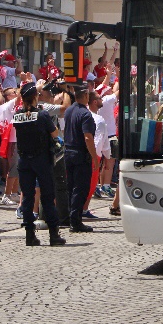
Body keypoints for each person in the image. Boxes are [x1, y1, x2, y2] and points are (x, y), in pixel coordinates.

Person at [13, 82, 66, 246]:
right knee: (48, 196)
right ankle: (53, 234)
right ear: (36, 97)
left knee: (28, 197)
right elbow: (55, 133)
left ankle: (30, 235)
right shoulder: (42, 115)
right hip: (42, 159)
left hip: (24, 160)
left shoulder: (17, 115)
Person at [64, 85, 99, 232]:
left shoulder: (69, 110)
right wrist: (94, 157)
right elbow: (88, 137)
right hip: (80, 155)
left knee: (71, 187)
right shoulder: (86, 114)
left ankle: (71, 216)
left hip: (68, 152)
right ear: (84, 96)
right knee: (81, 188)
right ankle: (75, 220)